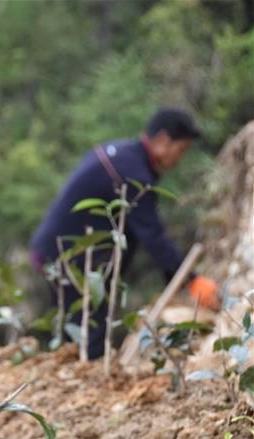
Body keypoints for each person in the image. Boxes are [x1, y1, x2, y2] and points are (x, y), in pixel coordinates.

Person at [29, 108, 220, 359]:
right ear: (163, 140)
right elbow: (152, 235)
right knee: (90, 332)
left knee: (80, 330)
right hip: (67, 257)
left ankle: (79, 367)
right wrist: (192, 280)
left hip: (55, 251)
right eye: (181, 150)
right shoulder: (133, 174)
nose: (179, 159)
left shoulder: (122, 154)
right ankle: (89, 372)